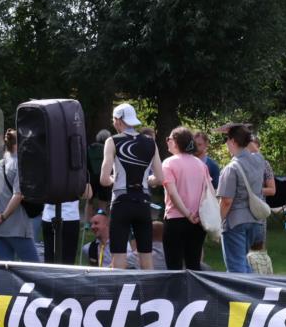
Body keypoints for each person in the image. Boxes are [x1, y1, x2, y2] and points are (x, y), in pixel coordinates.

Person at [101, 102, 163, 270]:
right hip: (143, 203)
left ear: (119, 120)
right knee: (146, 255)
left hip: (121, 203)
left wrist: (116, 179)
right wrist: (146, 180)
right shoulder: (151, 142)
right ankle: (148, 294)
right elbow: (159, 178)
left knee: (119, 254)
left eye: (114, 120)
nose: (113, 123)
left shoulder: (112, 141)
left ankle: (119, 294)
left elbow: (104, 179)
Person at [217, 124, 267, 273]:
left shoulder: (231, 168)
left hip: (235, 222)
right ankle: (252, 294)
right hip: (255, 220)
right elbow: (254, 149)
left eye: (227, 140)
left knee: (236, 268)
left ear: (232, 141)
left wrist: (217, 223)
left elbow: (226, 202)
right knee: (243, 263)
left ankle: (241, 296)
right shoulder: (259, 160)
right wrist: (241, 130)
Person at [0, 129, 39, 262]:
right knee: (33, 266)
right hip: (17, 227)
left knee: (5, 269)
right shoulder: (20, 165)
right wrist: (3, 217)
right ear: (19, 145)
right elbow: (18, 195)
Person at [160, 126, 208, 270]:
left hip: (175, 219)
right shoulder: (200, 164)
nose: (167, 141)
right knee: (194, 266)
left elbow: (173, 193)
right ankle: (194, 293)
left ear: (175, 142)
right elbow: (206, 191)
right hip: (198, 221)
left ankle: (176, 293)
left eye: (168, 139)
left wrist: (187, 214)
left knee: (174, 266)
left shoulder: (168, 163)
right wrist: (195, 214)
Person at [246, 135, 277, 255]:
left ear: (258, 147)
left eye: (253, 145)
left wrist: (253, 191)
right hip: (241, 211)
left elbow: (272, 190)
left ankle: (260, 272)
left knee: (258, 249)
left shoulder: (264, 164)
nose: (250, 149)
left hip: (258, 211)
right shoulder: (238, 163)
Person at [83, 129, 113, 225]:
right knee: (103, 202)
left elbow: (85, 164)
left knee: (89, 201)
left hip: (91, 177)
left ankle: (87, 223)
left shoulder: (89, 148)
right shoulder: (108, 149)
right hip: (104, 177)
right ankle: (100, 223)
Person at [41, 199, 81, 264]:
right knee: (67, 260)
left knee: (49, 258)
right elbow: (88, 194)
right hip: (70, 217)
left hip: (48, 216)